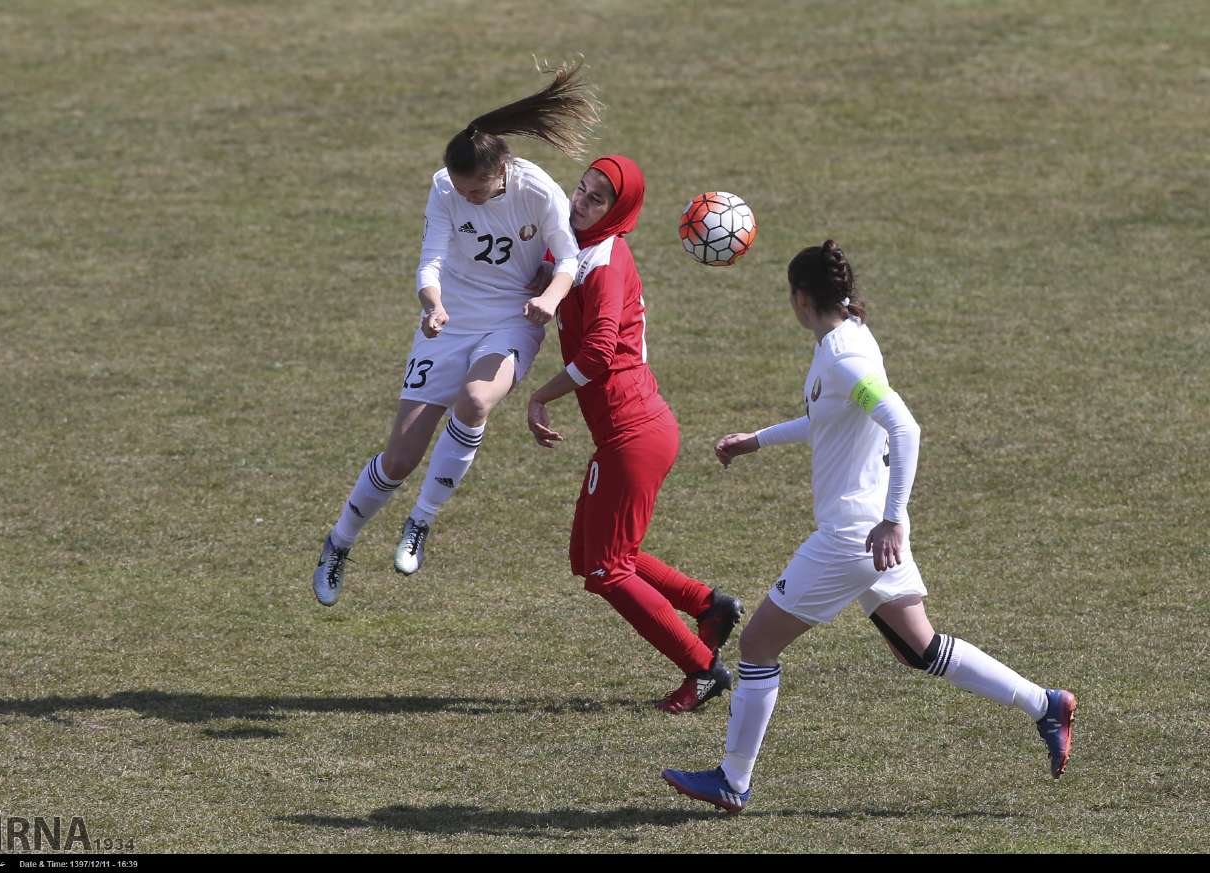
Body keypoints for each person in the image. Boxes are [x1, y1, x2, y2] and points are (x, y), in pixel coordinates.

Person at [661, 240, 1077, 809]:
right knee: (922, 649)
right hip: (872, 535)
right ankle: (1047, 704)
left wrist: (890, 520)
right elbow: (827, 422)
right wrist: (756, 440)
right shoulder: (851, 338)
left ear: (801, 298)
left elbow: (904, 427)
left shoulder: (842, 355)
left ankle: (733, 780)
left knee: (756, 647)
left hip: (855, 536)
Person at [312, 62, 600, 605]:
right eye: (462, 189)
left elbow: (568, 258)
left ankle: (420, 521)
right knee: (399, 458)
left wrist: (548, 299)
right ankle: (338, 543)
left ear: (502, 172)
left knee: (475, 399)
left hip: (513, 318)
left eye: (477, 191)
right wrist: (433, 306)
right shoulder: (445, 186)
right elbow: (431, 261)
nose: (467, 197)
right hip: (448, 322)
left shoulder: (538, 191)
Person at [525, 155, 744, 712]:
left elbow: (598, 352)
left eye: (597, 199)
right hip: (629, 433)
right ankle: (709, 605)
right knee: (590, 555)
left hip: (633, 435)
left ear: (618, 211)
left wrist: (539, 396)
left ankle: (702, 668)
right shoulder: (586, 250)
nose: (580, 202)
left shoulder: (604, 263)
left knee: (607, 569)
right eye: (581, 189)